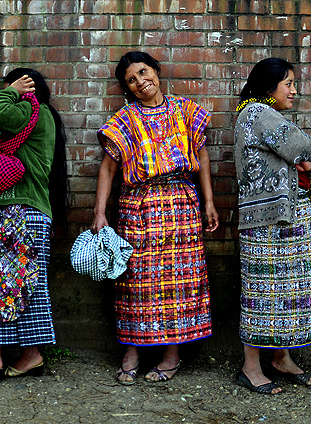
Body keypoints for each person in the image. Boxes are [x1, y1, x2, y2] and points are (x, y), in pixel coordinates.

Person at [92, 51, 219, 385]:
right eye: (131, 80)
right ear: (127, 88)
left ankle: (171, 355)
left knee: (179, 283)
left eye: (144, 72)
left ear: (157, 71)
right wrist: (99, 212)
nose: (140, 81)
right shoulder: (124, 120)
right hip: (139, 208)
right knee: (136, 281)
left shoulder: (186, 110)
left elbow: (202, 157)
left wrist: (209, 203)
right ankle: (132, 352)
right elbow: (108, 168)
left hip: (181, 207)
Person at [0, 68, 67, 382]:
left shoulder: (35, 110)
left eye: (15, 90)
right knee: (26, 288)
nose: (10, 95)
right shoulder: (31, 118)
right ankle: (30, 355)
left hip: (17, 212)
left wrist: (10, 92)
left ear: (27, 90)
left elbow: (1, 115)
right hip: (23, 213)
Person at [233, 58, 311, 394]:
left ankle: (280, 358)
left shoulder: (266, 115)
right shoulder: (257, 113)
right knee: (261, 293)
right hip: (267, 220)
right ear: (268, 86)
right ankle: (250, 368)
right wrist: (308, 159)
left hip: (285, 217)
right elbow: (302, 146)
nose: (294, 90)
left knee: (286, 292)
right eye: (288, 83)